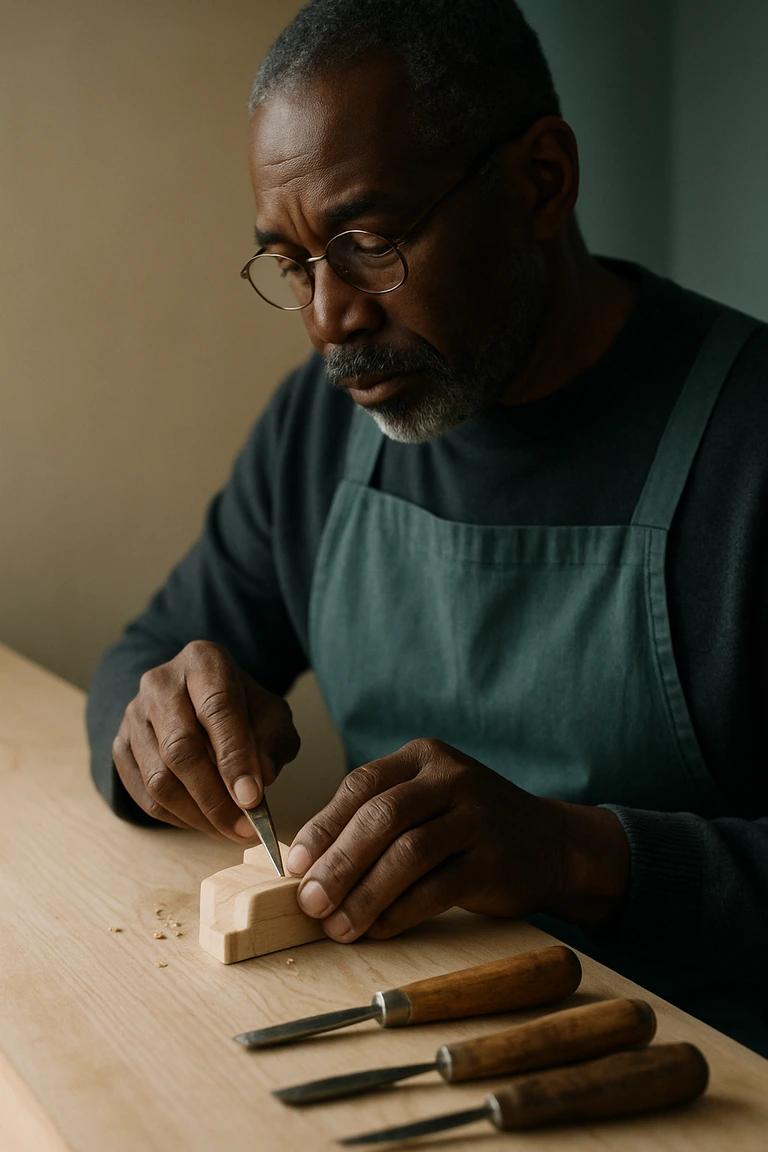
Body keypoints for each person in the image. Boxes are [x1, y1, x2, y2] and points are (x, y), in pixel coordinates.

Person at [87, 0, 768, 1055]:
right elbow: (142, 661)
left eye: (369, 244)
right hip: (403, 1036)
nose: (330, 319)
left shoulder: (749, 444)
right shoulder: (319, 430)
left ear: (541, 181)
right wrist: (159, 729)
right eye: (293, 263)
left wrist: (578, 855)